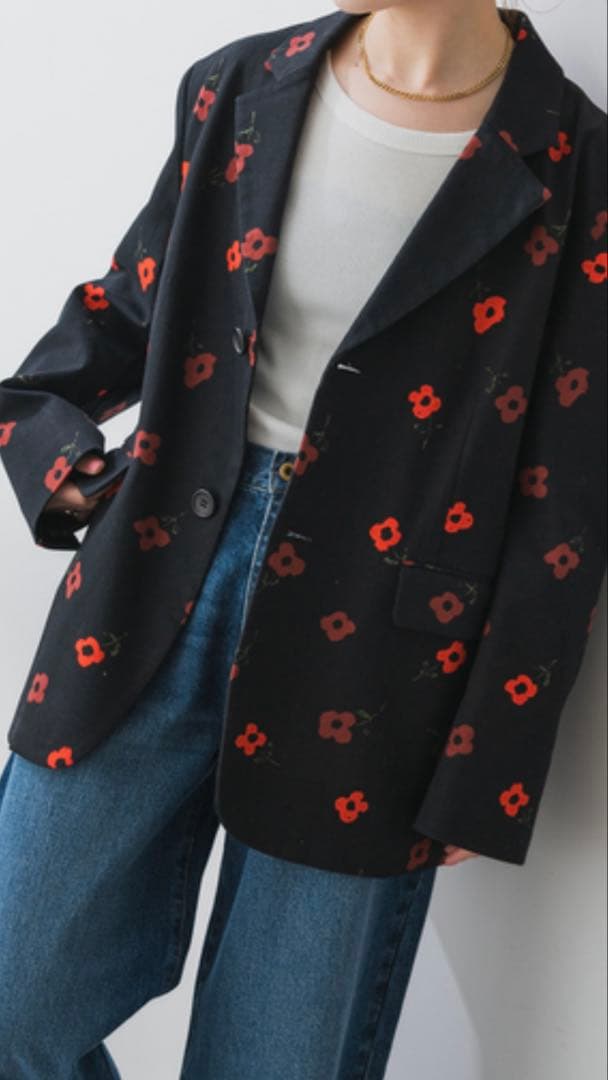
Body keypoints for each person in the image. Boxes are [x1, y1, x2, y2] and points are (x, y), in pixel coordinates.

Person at [0, 2, 605, 1077]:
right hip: (156, 581)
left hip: (385, 653)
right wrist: (58, 456)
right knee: (12, 989)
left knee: (275, 1059)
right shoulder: (238, 86)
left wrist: (486, 764)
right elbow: (130, 309)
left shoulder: (576, 160)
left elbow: (565, 492)